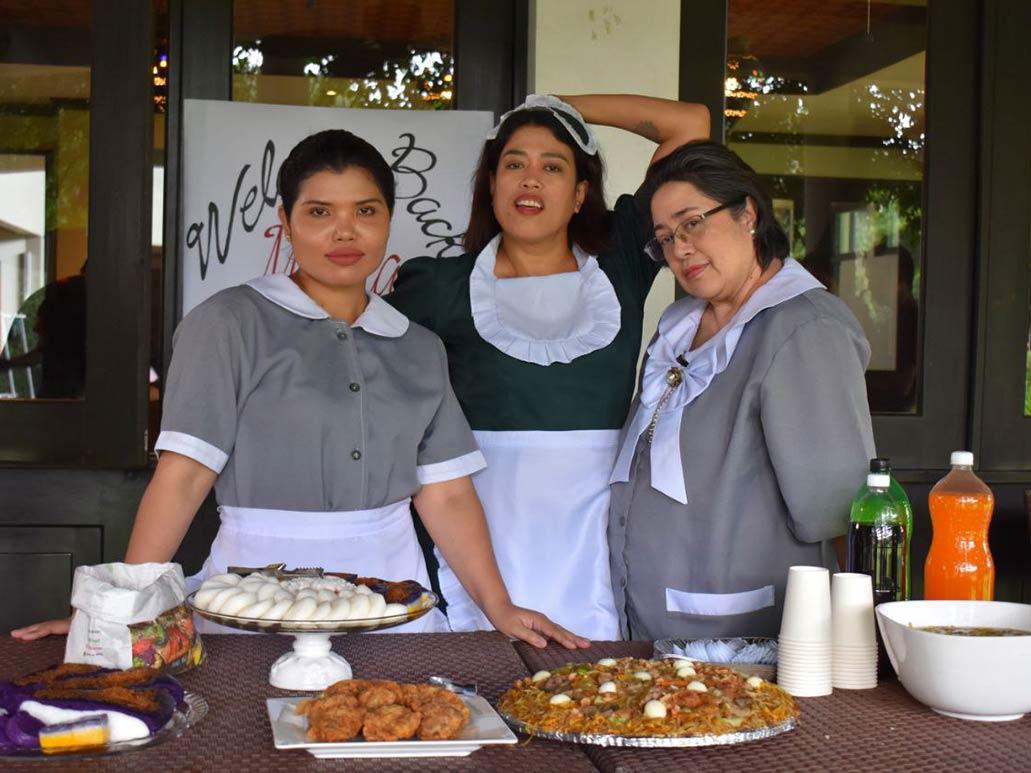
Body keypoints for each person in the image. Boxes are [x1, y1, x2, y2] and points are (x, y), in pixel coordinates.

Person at [12, 129, 587, 649]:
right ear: (285, 223)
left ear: (388, 220)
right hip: (252, 597)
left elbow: (446, 495)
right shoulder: (229, 323)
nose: (345, 231)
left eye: (366, 210)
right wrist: (124, 612)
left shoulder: (418, 347)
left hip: (393, 602)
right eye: (319, 212)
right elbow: (184, 476)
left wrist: (498, 606)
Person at [386, 94, 709, 640]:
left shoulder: (622, 261)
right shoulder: (436, 287)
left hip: (597, 536)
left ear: (581, 194)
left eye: (552, 167)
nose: (530, 180)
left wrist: (557, 100)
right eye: (514, 164)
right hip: (477, 532)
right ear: (491, 185)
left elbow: (690, 123)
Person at [608, 141, 875, 640]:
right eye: (664, 238)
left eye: (692, 223)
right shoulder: (679, 325)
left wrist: (856, 649)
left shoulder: (804, 327)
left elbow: (841, 514)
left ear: (747, 213)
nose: (678, 248)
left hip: (742, 633)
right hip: (650, 614)